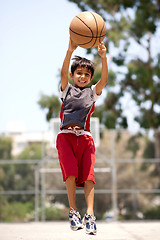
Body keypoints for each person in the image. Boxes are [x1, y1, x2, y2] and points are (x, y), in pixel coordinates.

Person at [56, 37, 108, 235]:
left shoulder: (92, 93)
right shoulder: (66, 90)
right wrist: (69, 52)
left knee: (89, 177)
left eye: (87, 74)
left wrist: (103, 57)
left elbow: (104, 80)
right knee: (70, 173)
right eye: (79, 73)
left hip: (85, 139)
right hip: (65, 137)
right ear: (72, 75)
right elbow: (62, 74)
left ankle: (90, 215)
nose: (83, 77)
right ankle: (73, 211)